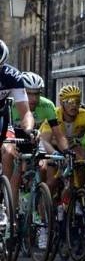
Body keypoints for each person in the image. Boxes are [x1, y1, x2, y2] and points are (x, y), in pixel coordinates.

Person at [0, 42, 35, 204]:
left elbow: (25, 112)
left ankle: (2, 197)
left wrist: (29, 129)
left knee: (8, 151)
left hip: (2, 116)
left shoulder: (12, 75)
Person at [40, 85, 85, 161]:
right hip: (50, 143)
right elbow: (45, 141)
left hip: (68, 144)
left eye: (77, 101)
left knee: (80, 159)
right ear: (62, 103)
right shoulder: (54, 115)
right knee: (49, 165)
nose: (74, 105)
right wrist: (54, 154)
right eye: (69, 102)